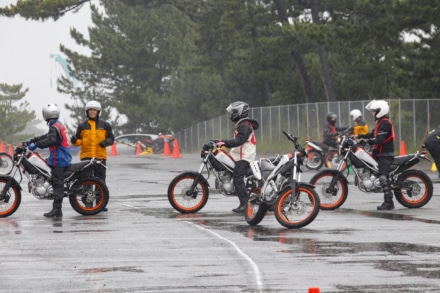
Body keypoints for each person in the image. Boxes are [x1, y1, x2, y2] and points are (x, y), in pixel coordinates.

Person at [27, 103, 72, 218]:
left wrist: (35, 145)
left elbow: (50, 140)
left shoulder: (54, 127)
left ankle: (57, 209)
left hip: (60, 159)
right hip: (60, 157)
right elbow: (47, 136)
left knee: (57, 183)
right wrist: (32, 141)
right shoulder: (57, 125)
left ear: (46, 114)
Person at [216, 101, 259, 213]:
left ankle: (244, 204)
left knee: (238, 177)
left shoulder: (245, 125)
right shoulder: (241, 124)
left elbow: (239, 140)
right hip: (238, 155)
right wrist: (219, 142)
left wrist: (225, 143)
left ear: (240, 112)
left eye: (233, 112)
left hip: (244, 157)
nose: (231, 115)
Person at [71, 101, 114, 210]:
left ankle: (101, 204)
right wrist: (75, 141)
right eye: (90, 110)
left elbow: (111, 139)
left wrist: (105, 142)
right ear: (87, 112)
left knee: (101, 181)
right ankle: (88, 204)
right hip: (87, 157)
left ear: (98, 112)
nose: (92, 112)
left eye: (94, 110)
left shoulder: (105, 125)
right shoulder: (82, 125)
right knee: (87, 182)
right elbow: (78, 141)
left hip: (100, 157)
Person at [357, 100, 396, 210]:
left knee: (383, 176)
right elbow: (372, 134)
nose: (372, 113)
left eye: (374, 111)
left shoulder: (385, 123)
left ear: (380, 111)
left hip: (385, 154)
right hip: (379, 153)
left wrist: (368, 141)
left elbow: (379, 139)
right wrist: (359, 136)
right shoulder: (380, 122)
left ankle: (389, 202)